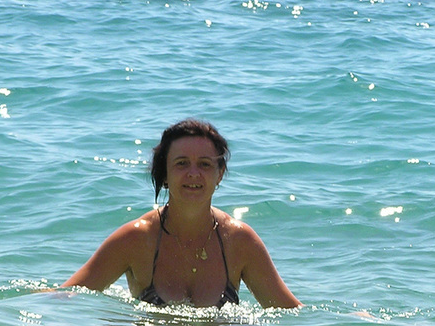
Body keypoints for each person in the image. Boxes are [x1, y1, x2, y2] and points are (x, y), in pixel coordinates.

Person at [61, 119, 302, 309]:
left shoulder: (239, 241)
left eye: (205, 164)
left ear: (219, 174)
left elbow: (291, 314)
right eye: (182, 163)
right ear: (165, 174)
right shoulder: (135, 239)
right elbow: (64, 297)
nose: (193, 173)